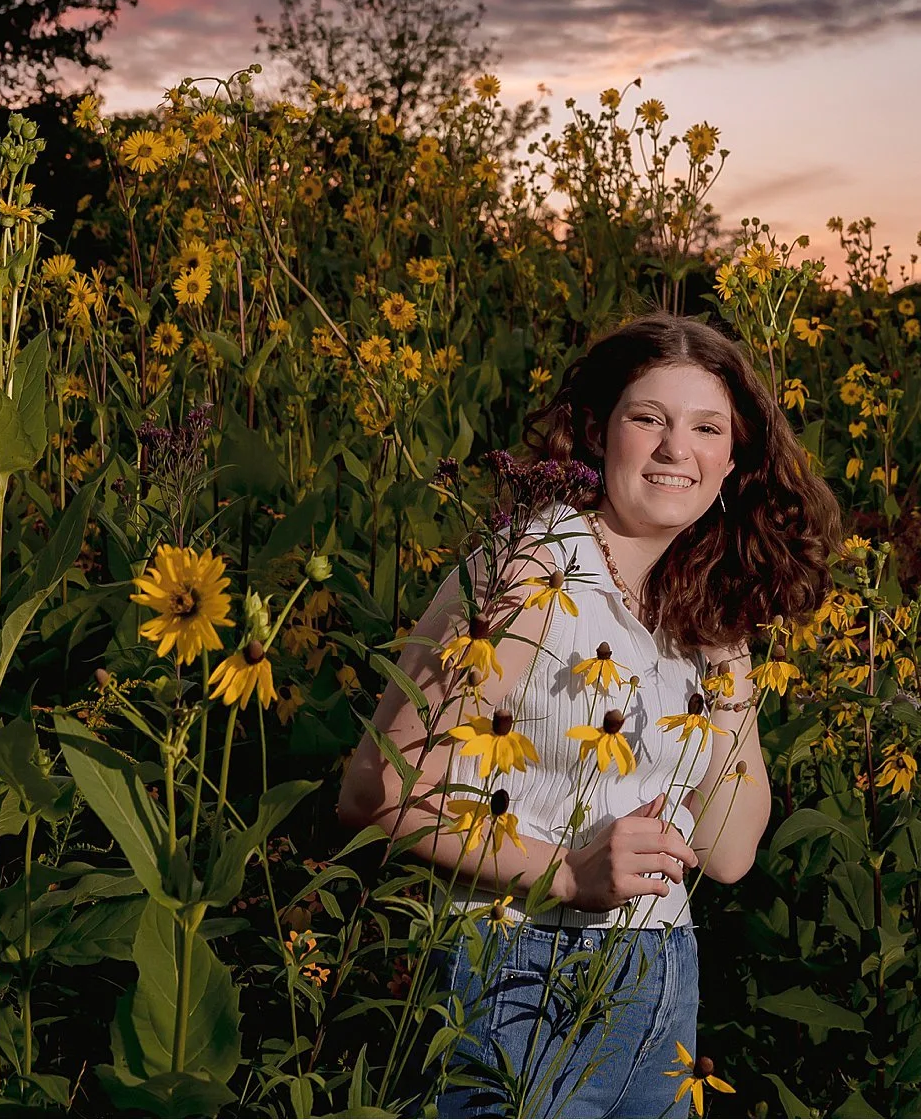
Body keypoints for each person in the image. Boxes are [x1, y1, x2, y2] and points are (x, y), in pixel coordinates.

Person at [338, 312, 840, 1117]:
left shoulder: (696, 607)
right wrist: (566, 872)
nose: (678, 450)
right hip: (521, 968)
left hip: (663, 975)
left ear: (730, 462)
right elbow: (376, 792)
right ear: (601, 432)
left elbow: (728, 849)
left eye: (705, 428)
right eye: (650, 419)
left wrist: (729, 653)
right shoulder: (534, 568)